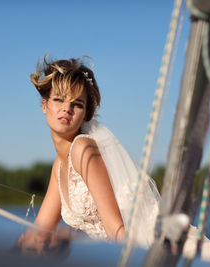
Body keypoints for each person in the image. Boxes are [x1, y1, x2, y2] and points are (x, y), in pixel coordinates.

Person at [16, 56, 161, 257]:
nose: (67, 108)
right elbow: (40, 229)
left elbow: (115, 228)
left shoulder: (82, 149)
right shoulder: (59, 166)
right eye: (58, 99)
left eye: (77, 104)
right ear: (44, 105)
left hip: (138, 249)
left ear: (85, 114)